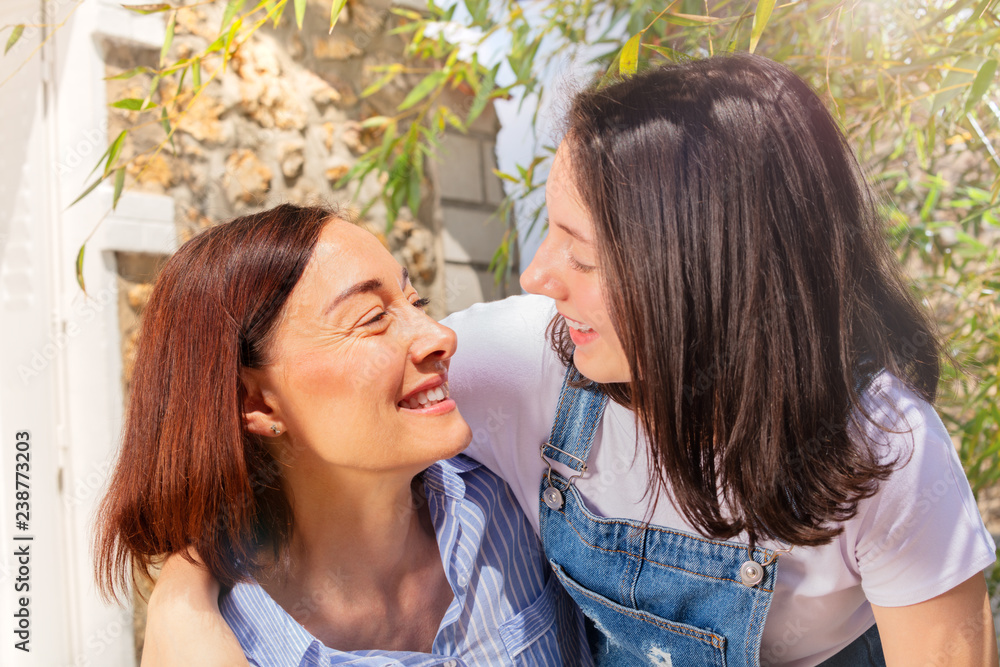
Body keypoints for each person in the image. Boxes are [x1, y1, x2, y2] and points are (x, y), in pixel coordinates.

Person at [140, 54, 998, 666]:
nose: (537, 275)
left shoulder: (880, 449)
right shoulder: (525, 365)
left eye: (580, 254)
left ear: (699, 276)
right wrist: (178, 604)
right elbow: (245, 436)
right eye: (547, 229)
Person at [93, 204, 590, 666]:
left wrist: (178, 592)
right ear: (257, 403)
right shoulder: (238, 646)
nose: (441, 335)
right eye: (373, 319)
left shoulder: (510, 489)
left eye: (418, 301)